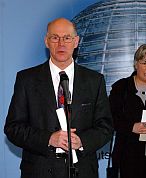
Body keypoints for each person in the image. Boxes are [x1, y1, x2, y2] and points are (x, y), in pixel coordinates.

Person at [4, 18, 113, 178]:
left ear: (76, 42)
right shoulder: (26, 79)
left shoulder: (94, 80)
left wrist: (82, 141)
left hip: (82, 171)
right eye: (55, 37)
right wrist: (48, 139)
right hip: (38, 171)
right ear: (46, 42)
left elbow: (106, 127)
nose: (61, 43)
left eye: (67, 38)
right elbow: (13, 128)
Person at [109, 44, 146, 178]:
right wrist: (131, 127)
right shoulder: (120, 87)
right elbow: (109, 118)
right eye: (145, 63)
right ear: (136, 64)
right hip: (127, 157)